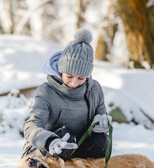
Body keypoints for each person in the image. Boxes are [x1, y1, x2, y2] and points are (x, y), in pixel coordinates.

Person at [21, 29, 111, 160]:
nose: (74, 83)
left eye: (81, 78)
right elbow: (31, 126)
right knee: (66, 136)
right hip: (47, 149)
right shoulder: (46, 91)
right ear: (61, 70)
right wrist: (49, 141)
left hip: (78, 147)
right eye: (69, 76)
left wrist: (102, 124)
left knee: (101, 141)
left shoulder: (94, 89)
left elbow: (101, 116)